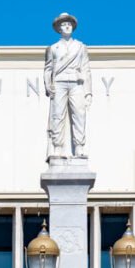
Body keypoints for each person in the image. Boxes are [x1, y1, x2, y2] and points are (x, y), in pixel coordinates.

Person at [44, 12, 92, 159]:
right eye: (64, 24)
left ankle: (79, 146)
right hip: (59, 83)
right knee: (57, 115)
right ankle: (57, 147)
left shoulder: (80, 46)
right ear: (59, 28)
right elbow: (48, 68)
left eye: (69, 24)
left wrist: (88, 92)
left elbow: (86, 69)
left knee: (79, 115)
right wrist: (48, 85)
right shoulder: (53, 48)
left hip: (76, 83)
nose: (67, 27)